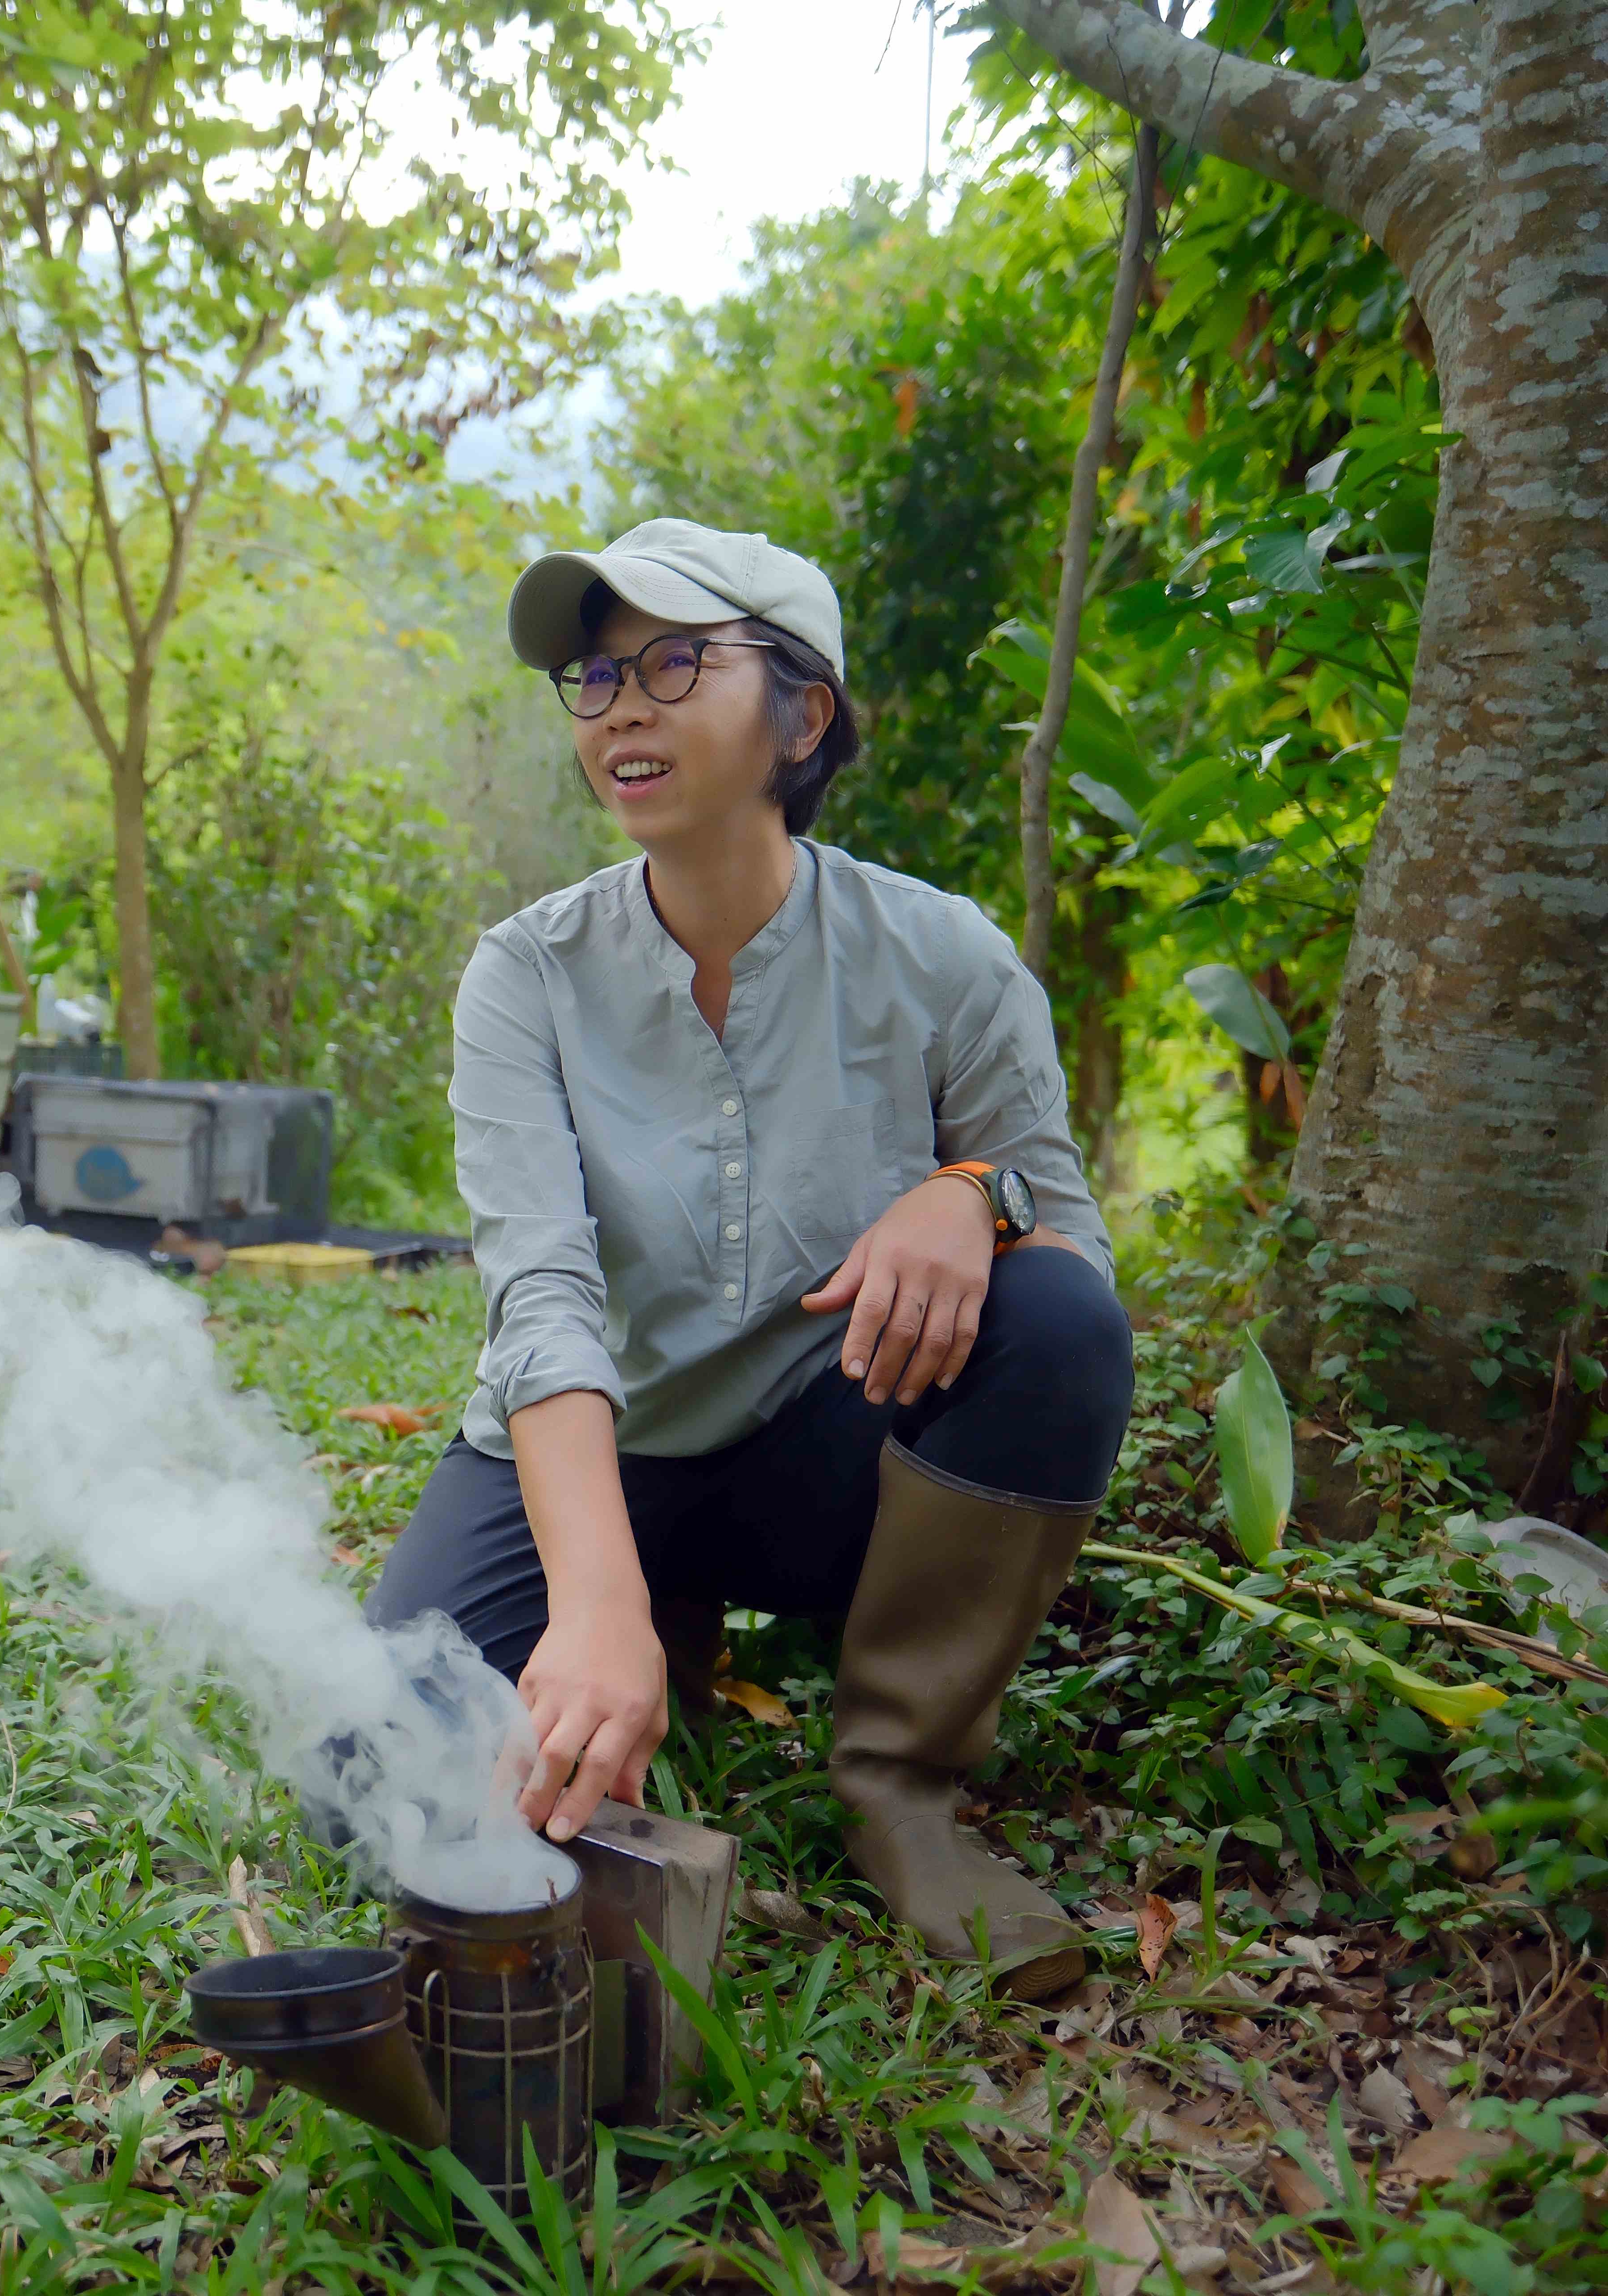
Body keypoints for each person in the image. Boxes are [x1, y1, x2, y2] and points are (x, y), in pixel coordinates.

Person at [365, 519, 1136, 1999]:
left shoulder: (945, 957)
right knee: (374, 1747)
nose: (624, 708)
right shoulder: (525, 977)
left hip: (820, 1457)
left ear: (803, 711)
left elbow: (1073, 1251)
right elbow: (540, 1299)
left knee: (1055, 1316)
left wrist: (971, 1193)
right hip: (603, 1465)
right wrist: (592, 1604)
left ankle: (900, 1789)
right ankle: (648, 1650)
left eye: (673, 662)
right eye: (594, 679)